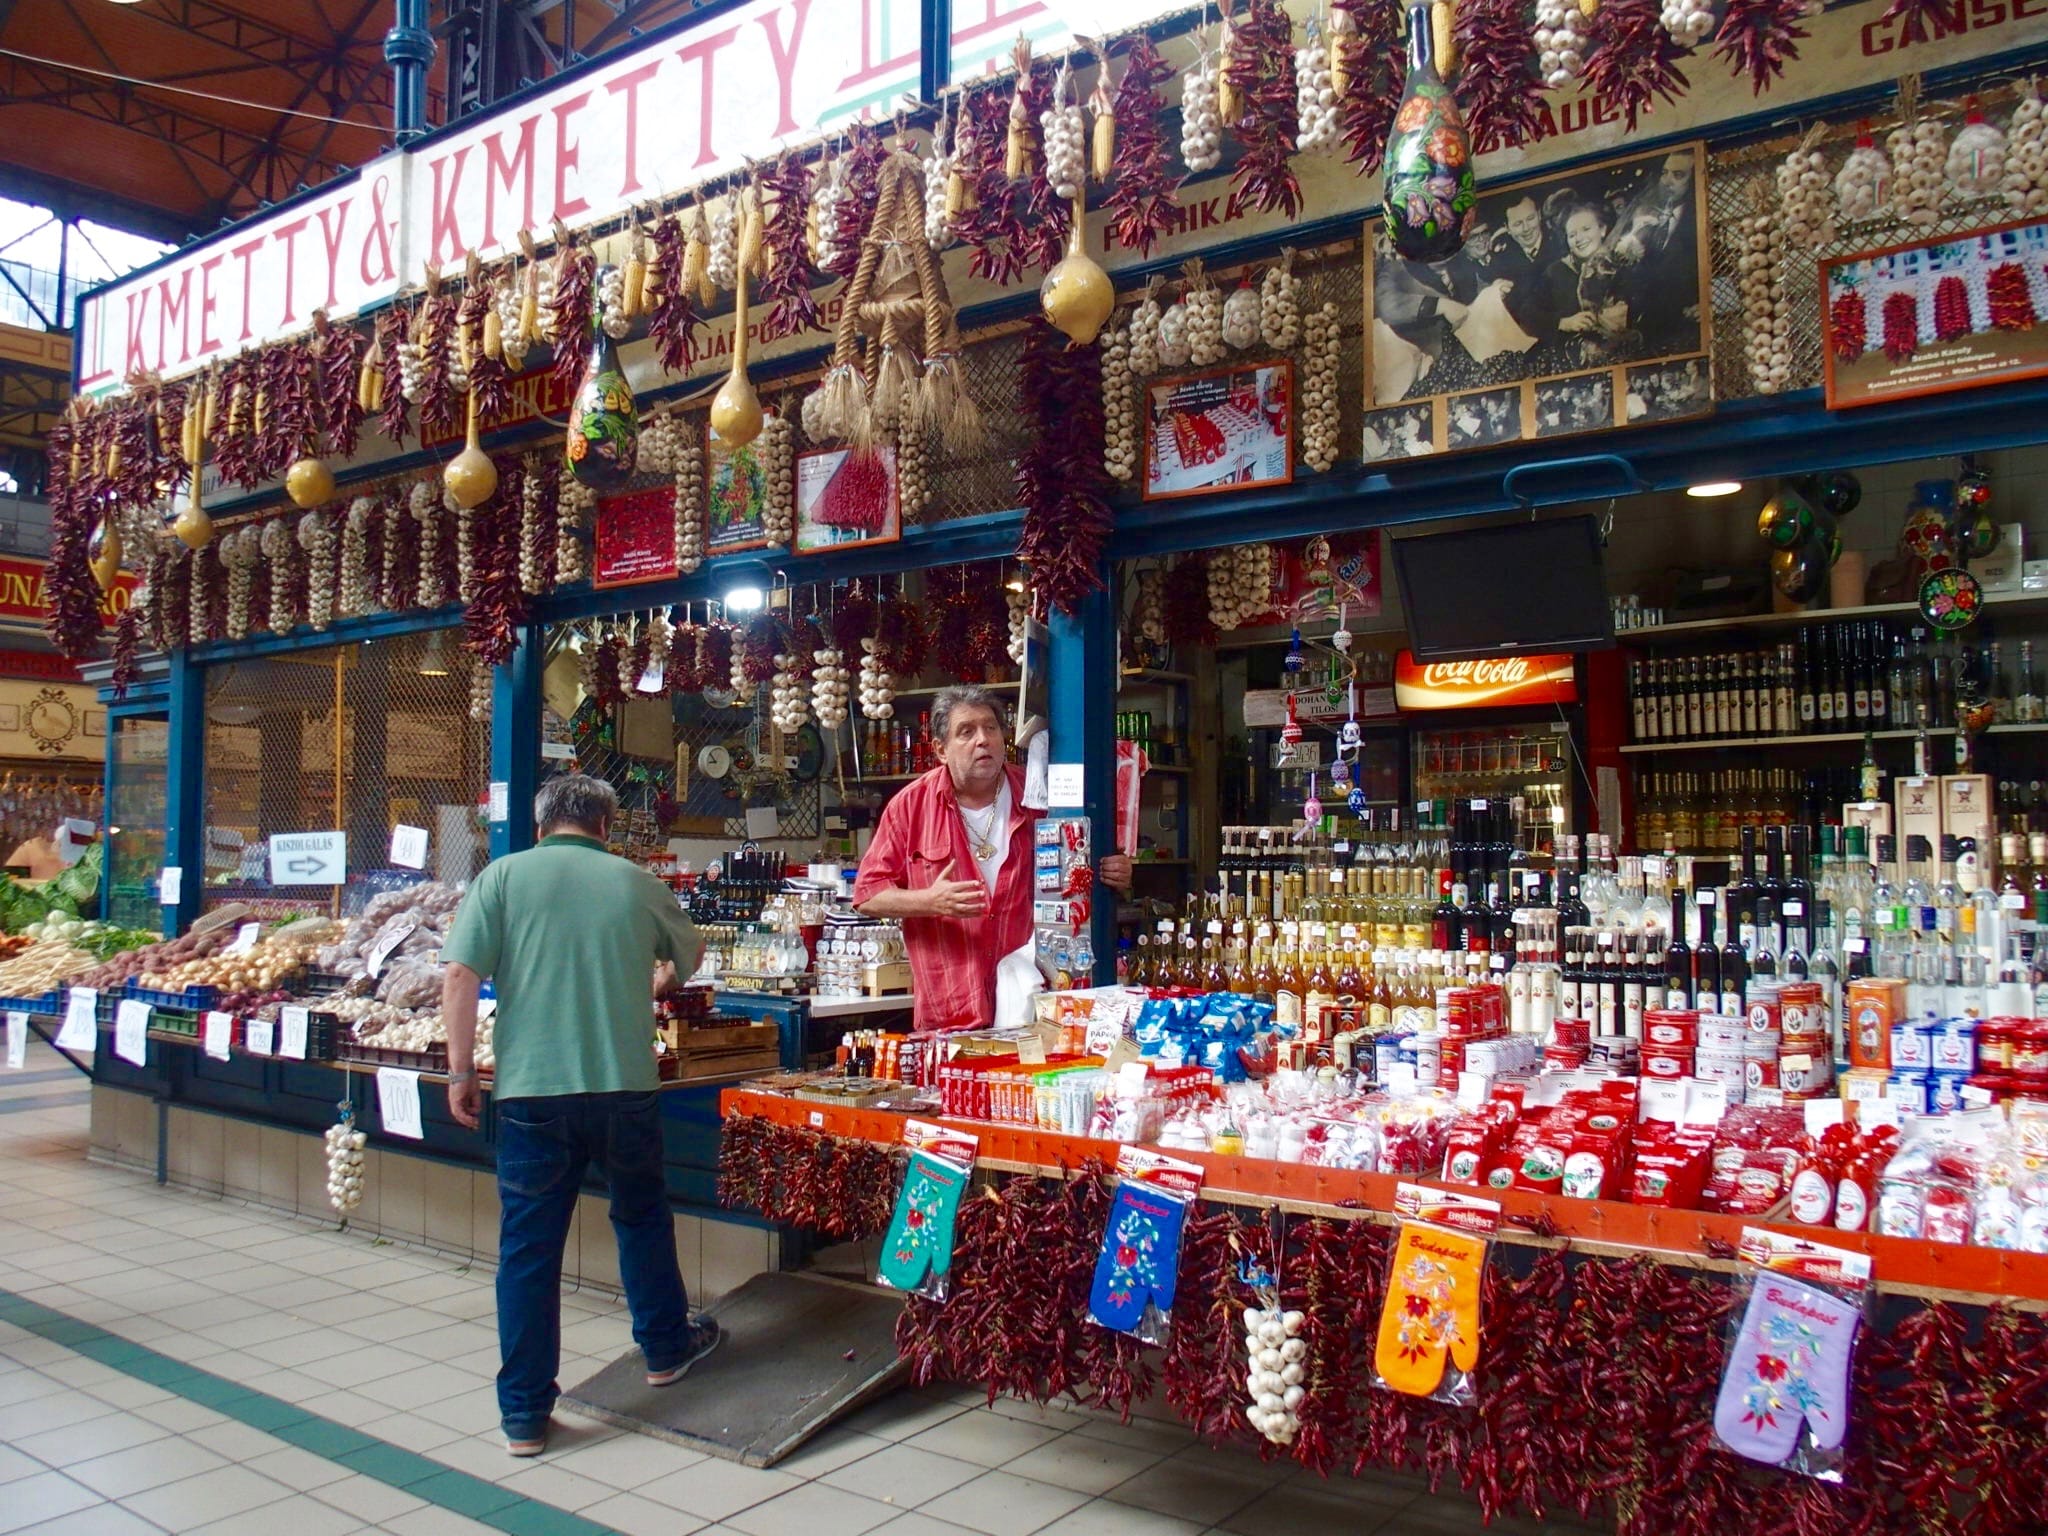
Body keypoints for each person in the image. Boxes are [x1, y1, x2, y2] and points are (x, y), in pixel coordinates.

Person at [441, 773, 715, 1458]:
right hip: (623, 1087)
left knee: (529, 1252)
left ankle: (525, 1417)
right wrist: (659, 979)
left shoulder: (502, 879)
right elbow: (693, 953)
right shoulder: (635, 882)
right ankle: (663, 1352)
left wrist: (458, 1070)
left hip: (533, 1092)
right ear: (605, 824)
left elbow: (459, 975)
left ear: (540, 826)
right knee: (642, 1216)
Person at [854, 684, 1132, 1031]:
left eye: (990, 728)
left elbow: (1078, 872)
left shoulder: (1038, 797)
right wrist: (929, 901)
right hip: (949, 1013)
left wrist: (1116, 872)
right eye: (966, 732)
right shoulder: (910, 807)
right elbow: (867, 894)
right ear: (940, 749)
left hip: (1033, 1010)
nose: (982, 740)